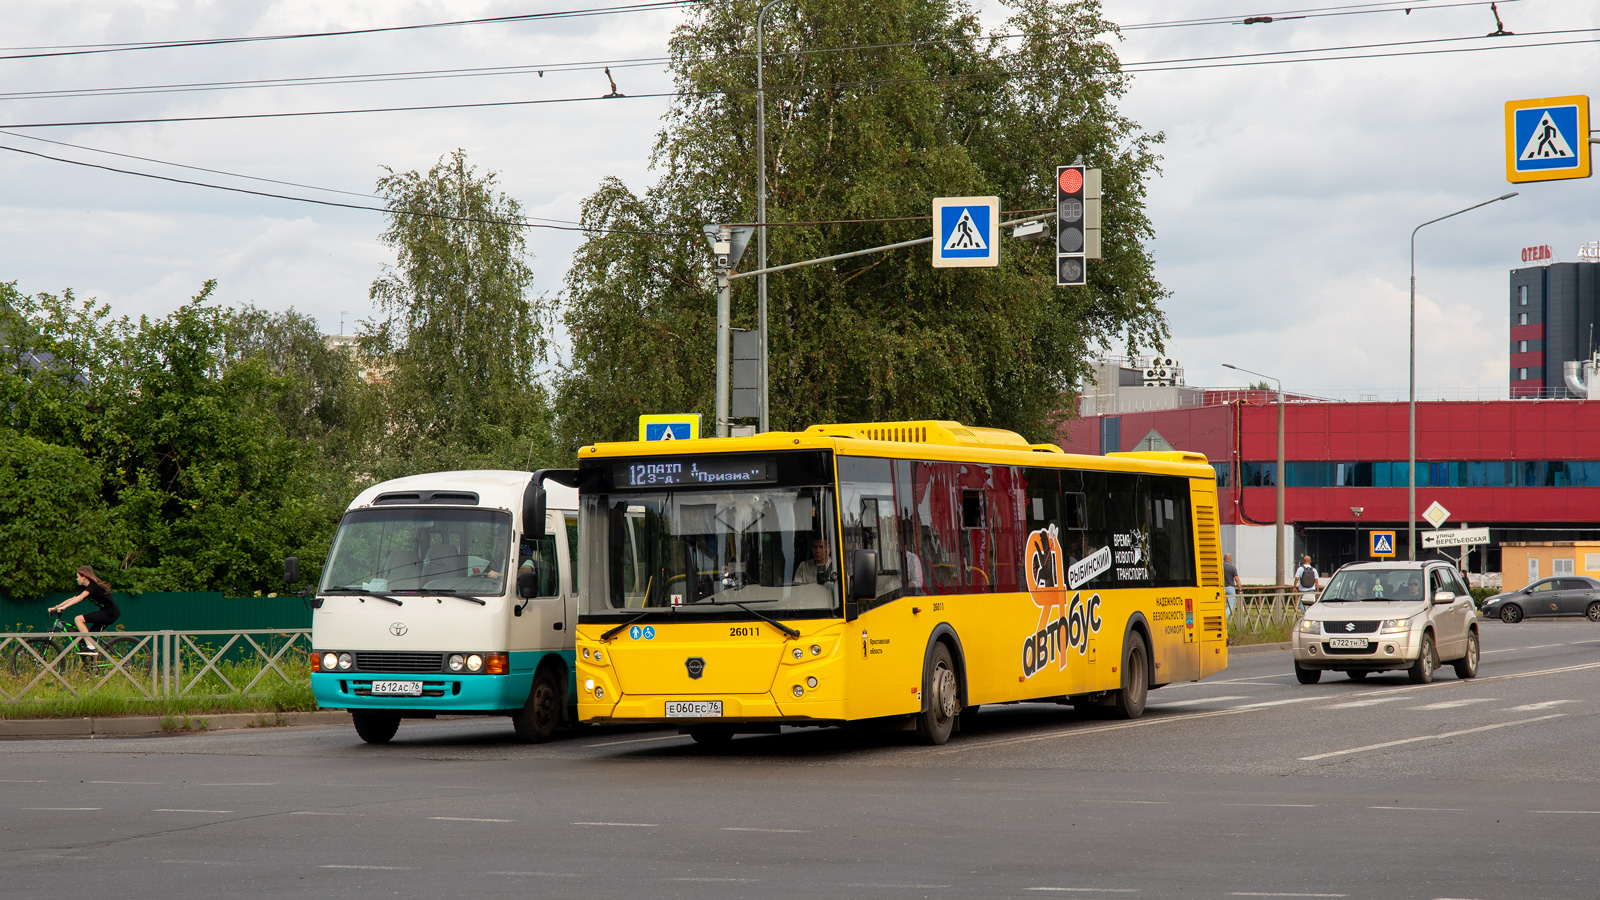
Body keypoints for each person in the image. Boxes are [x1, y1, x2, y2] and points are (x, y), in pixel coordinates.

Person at [48, 566, 120, 656]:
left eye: (78, 577)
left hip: (109, 613)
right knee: (89, 636)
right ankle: (90, 662)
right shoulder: (87, 588)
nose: (77, 579)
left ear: (84, 577)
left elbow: (81, 598)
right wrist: (56, 607)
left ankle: (91, 648)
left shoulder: (93, 586)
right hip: (106, 612)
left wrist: (64, 607)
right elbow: (74, 598)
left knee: (79, 619)